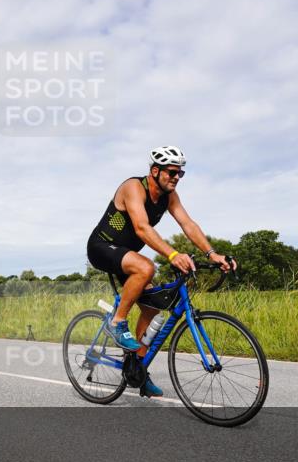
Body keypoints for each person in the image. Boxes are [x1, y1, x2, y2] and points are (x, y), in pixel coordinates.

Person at [87, 146, 234, 396]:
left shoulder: (169, 196)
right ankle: (117, 321)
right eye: (172, 172)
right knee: (147, 267)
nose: (176, 177)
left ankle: (137, 370)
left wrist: (213, 253)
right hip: (102, 247)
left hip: (127, 257)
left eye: (180, 174)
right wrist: (174, 255)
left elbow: (188, 224)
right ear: (155, 171)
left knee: (152, 310)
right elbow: (142, 228)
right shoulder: (134, 187)